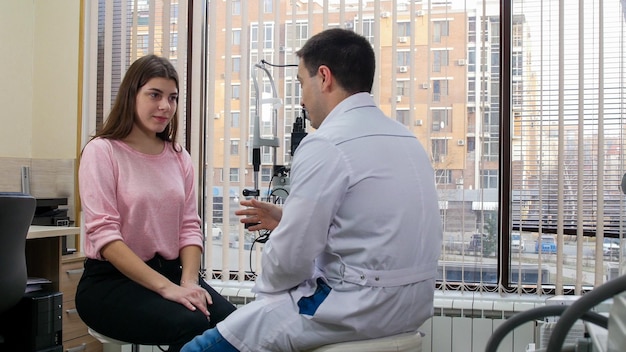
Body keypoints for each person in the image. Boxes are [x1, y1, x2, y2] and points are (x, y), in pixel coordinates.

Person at [182, 28, 443, 352]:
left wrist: (285, 243)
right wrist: (289, 217)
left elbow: (287, 265)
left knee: (200, 348)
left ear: (324, 77)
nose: (302, 99)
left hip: (351, 308)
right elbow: (371, 230)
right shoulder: (407, 140)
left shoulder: (326, 144)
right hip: (409, 310)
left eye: (301, 84)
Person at [76, 54, 236, 352]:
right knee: (191, 324)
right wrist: (168, 290)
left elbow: (189, 227)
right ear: (131, 95)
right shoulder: (102, 152)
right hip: (111, 283)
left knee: (235, 328)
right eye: (155, 95)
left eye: (172, 98)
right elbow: (105, 237)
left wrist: (188, 283)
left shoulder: (178, 156)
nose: (166, 106)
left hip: (173, 272)